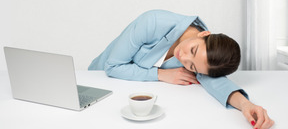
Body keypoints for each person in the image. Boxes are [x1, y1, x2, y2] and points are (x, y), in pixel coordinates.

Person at [88, 10, 274, 129]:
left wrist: (246, 106)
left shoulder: (204, 61)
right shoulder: (152, 22)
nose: (183, 58)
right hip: (97, 82)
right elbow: (112, 67)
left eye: (192, 66)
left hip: (129, 102)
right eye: (193, 50)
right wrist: (160, 74)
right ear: (204, 34)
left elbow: (218, 84)